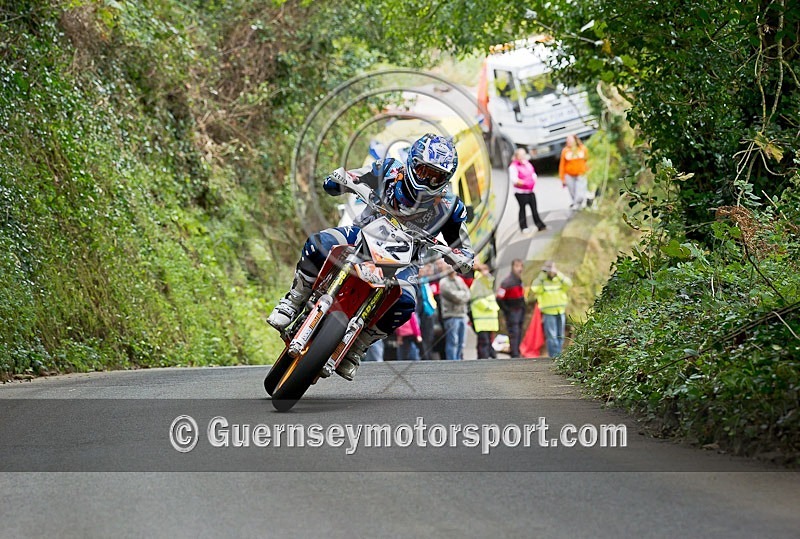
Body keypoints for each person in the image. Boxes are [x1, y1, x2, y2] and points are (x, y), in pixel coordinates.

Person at [267, 133, 474, 380]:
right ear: (411, 162)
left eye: (436, 176)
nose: (428, 180)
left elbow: (464, 249)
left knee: (406, 301)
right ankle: (294, 300)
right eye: (423, 170)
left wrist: (461, 257)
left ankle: (358, 345)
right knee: (319, 243)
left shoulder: (451, 207)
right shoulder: (387, 170)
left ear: (446, 179)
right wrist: (341, 179)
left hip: (405, 261)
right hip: (362, 234)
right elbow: (350, 176)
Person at [529, 260, 573, 357]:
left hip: (560, 311)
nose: (551, 271)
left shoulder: (559, 279)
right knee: (552, 337)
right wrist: (542, 274)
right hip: (548, 312)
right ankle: (555, 356)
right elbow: (534, 288)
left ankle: (558, 355)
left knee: (560, 336)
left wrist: (558, 274)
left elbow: (569, 284)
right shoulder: (542, 281)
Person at [508, 148, 546, 232]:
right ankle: (523, 227)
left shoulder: (527, 163)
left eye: (523, 155)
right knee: (522, 208)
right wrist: (525, 183)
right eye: (520, 155)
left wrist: (533, 180)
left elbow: (533, 173)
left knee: (534, 208)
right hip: (520, 192)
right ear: (516, 156)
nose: (522, 157)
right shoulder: (513, 166)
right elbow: (514, 180)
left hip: (530, 191)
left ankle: (539, 225)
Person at [438, 266, 472, 360]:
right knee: (453, 341)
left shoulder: (459, 280)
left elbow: (468, 294)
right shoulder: (443, 282)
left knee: (462, 342)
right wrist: (462, 295)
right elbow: (453, 297)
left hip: (462, 315)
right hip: (451, 316)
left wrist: (461, 296)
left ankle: (459, 360)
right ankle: (452, 361)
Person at [496, 259, 526, 358]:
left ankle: (516, 351)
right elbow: (499, 298)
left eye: (521, 266)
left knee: (519, 332)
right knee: (514, 333)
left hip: (520, 310)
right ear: (512, 267)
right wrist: (507, 310)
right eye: (517, 266)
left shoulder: (519, 281)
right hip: (512, 311)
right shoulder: (507, 282)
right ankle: (514, 354)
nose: (519, 269)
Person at [469, 261, 500, 359]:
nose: (486, 272)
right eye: (484, 269)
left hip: (488, 319)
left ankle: (488, 358)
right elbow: (477, 299)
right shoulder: (478, 283)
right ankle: (484, 361)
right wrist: (489, 307)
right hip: (482, 318)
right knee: (484, 342)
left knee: (486, 341)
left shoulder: (486, 283)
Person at [558, 134, 589, 210]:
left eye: (570, 140)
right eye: (567, 140)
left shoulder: (582, 149)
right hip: (569, 174)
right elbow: (562, 165)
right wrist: (562, 178)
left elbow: (587, 161)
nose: (569, 142)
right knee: (572, 191)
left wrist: (588, 171)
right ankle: (576, 204)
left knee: (580, 191)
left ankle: (578, 203)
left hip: (581, 173)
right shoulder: (565, 151)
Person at [416, 263, 438, 360]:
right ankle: (425, 357)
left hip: (430, 311)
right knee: (423, 337)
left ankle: (428, 355)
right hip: (422, 313)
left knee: (429, 337)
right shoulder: (417, 283)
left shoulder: (425, 281)